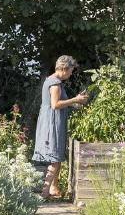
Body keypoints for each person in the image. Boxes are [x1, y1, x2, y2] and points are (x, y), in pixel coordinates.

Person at [33, 55, 88, 198]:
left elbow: (62, 103)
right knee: (55, 158)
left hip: (52, 121)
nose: (71, 74)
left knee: (55, 157)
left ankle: (52, 189)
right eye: (70, 71)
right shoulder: (55, 83)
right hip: (52, 123)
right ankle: (44, 193)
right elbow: (55, 104)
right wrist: (75, 99)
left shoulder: (54, 81)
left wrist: (75, 102)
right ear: (63, 68)